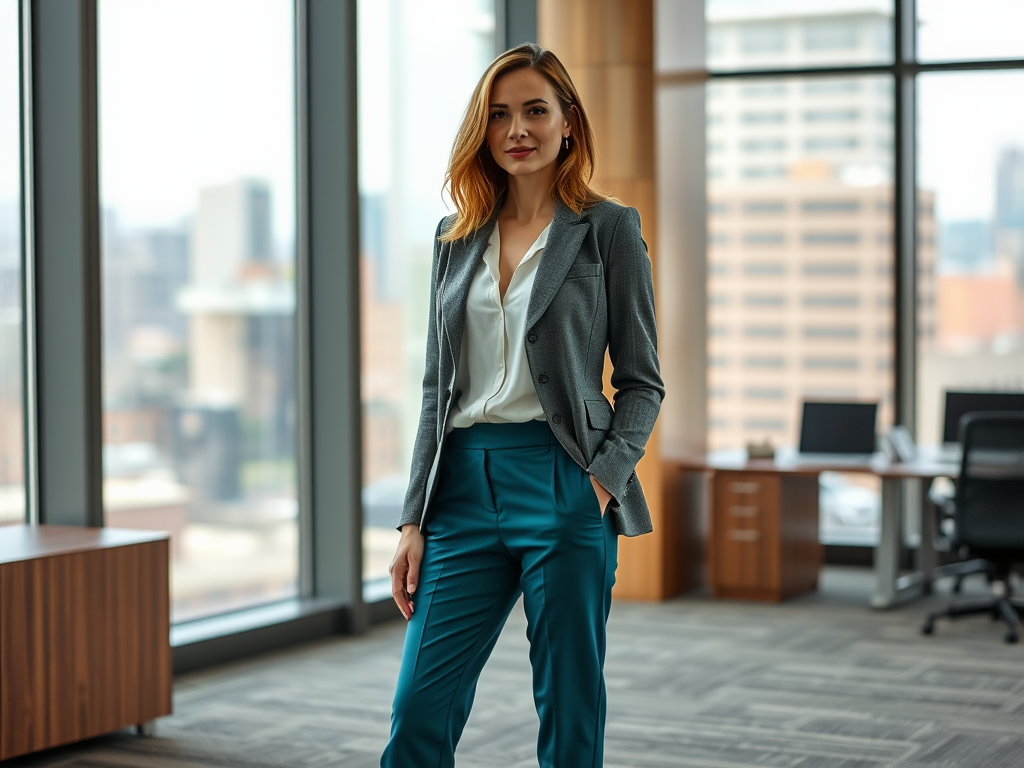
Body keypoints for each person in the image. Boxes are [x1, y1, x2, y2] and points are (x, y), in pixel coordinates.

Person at [381, 42, 663, 768]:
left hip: (563, 479)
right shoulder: (455, 238)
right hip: (462, 489)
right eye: (499, 115)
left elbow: (642, 381)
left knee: (568, 704)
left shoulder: (608, 231)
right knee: (418, 706)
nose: (517, 129)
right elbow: (435, 388)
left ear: (568, 120)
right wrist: (414, 518)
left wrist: (598, 483)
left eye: (535, 110)